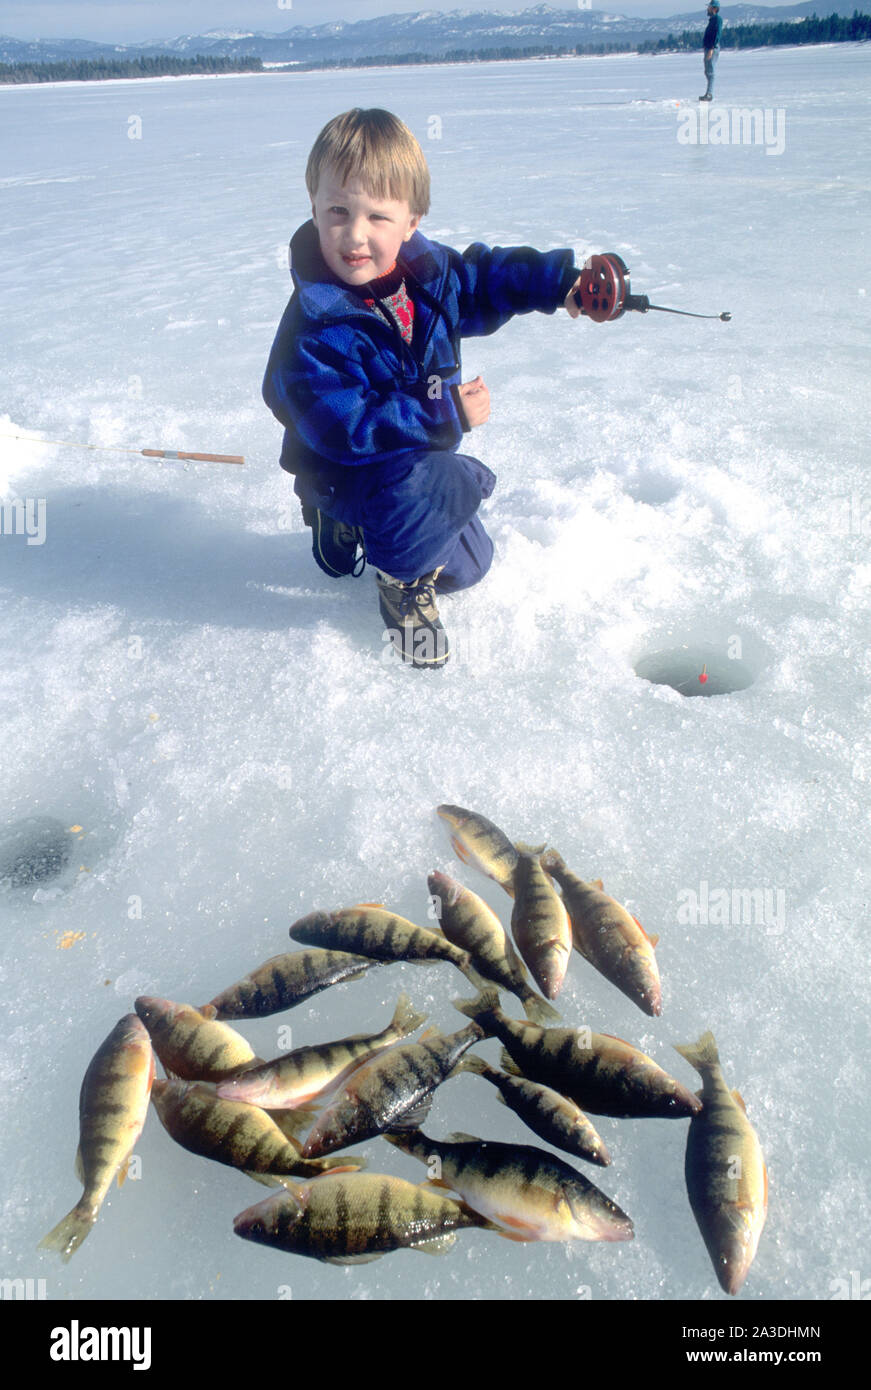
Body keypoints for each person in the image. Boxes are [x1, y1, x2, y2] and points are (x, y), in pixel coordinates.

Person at [262, 108, 586, 669]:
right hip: (344, 473)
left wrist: (563, 285)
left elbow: (486, 280)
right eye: (337, 211)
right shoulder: (315, 328)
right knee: (434, 482)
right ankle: (394, 583)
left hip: (414, 459)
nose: (354, 235)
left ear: (411, 220)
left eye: (376, 216)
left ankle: (391, 533)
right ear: (313, 207)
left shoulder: (430, 275)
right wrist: (441, 410)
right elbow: (347, 428)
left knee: (472, 565)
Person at [700, 1, 723, 102]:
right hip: (708, 48)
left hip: (712, 48)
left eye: (709, 7)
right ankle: (708, 93)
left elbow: (717, 34)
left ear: (714, 8)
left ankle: (709, 93)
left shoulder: (717, 19)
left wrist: (711, 49)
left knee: (710, 71)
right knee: (707, 71)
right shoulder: (712, 19)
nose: (707, 9)